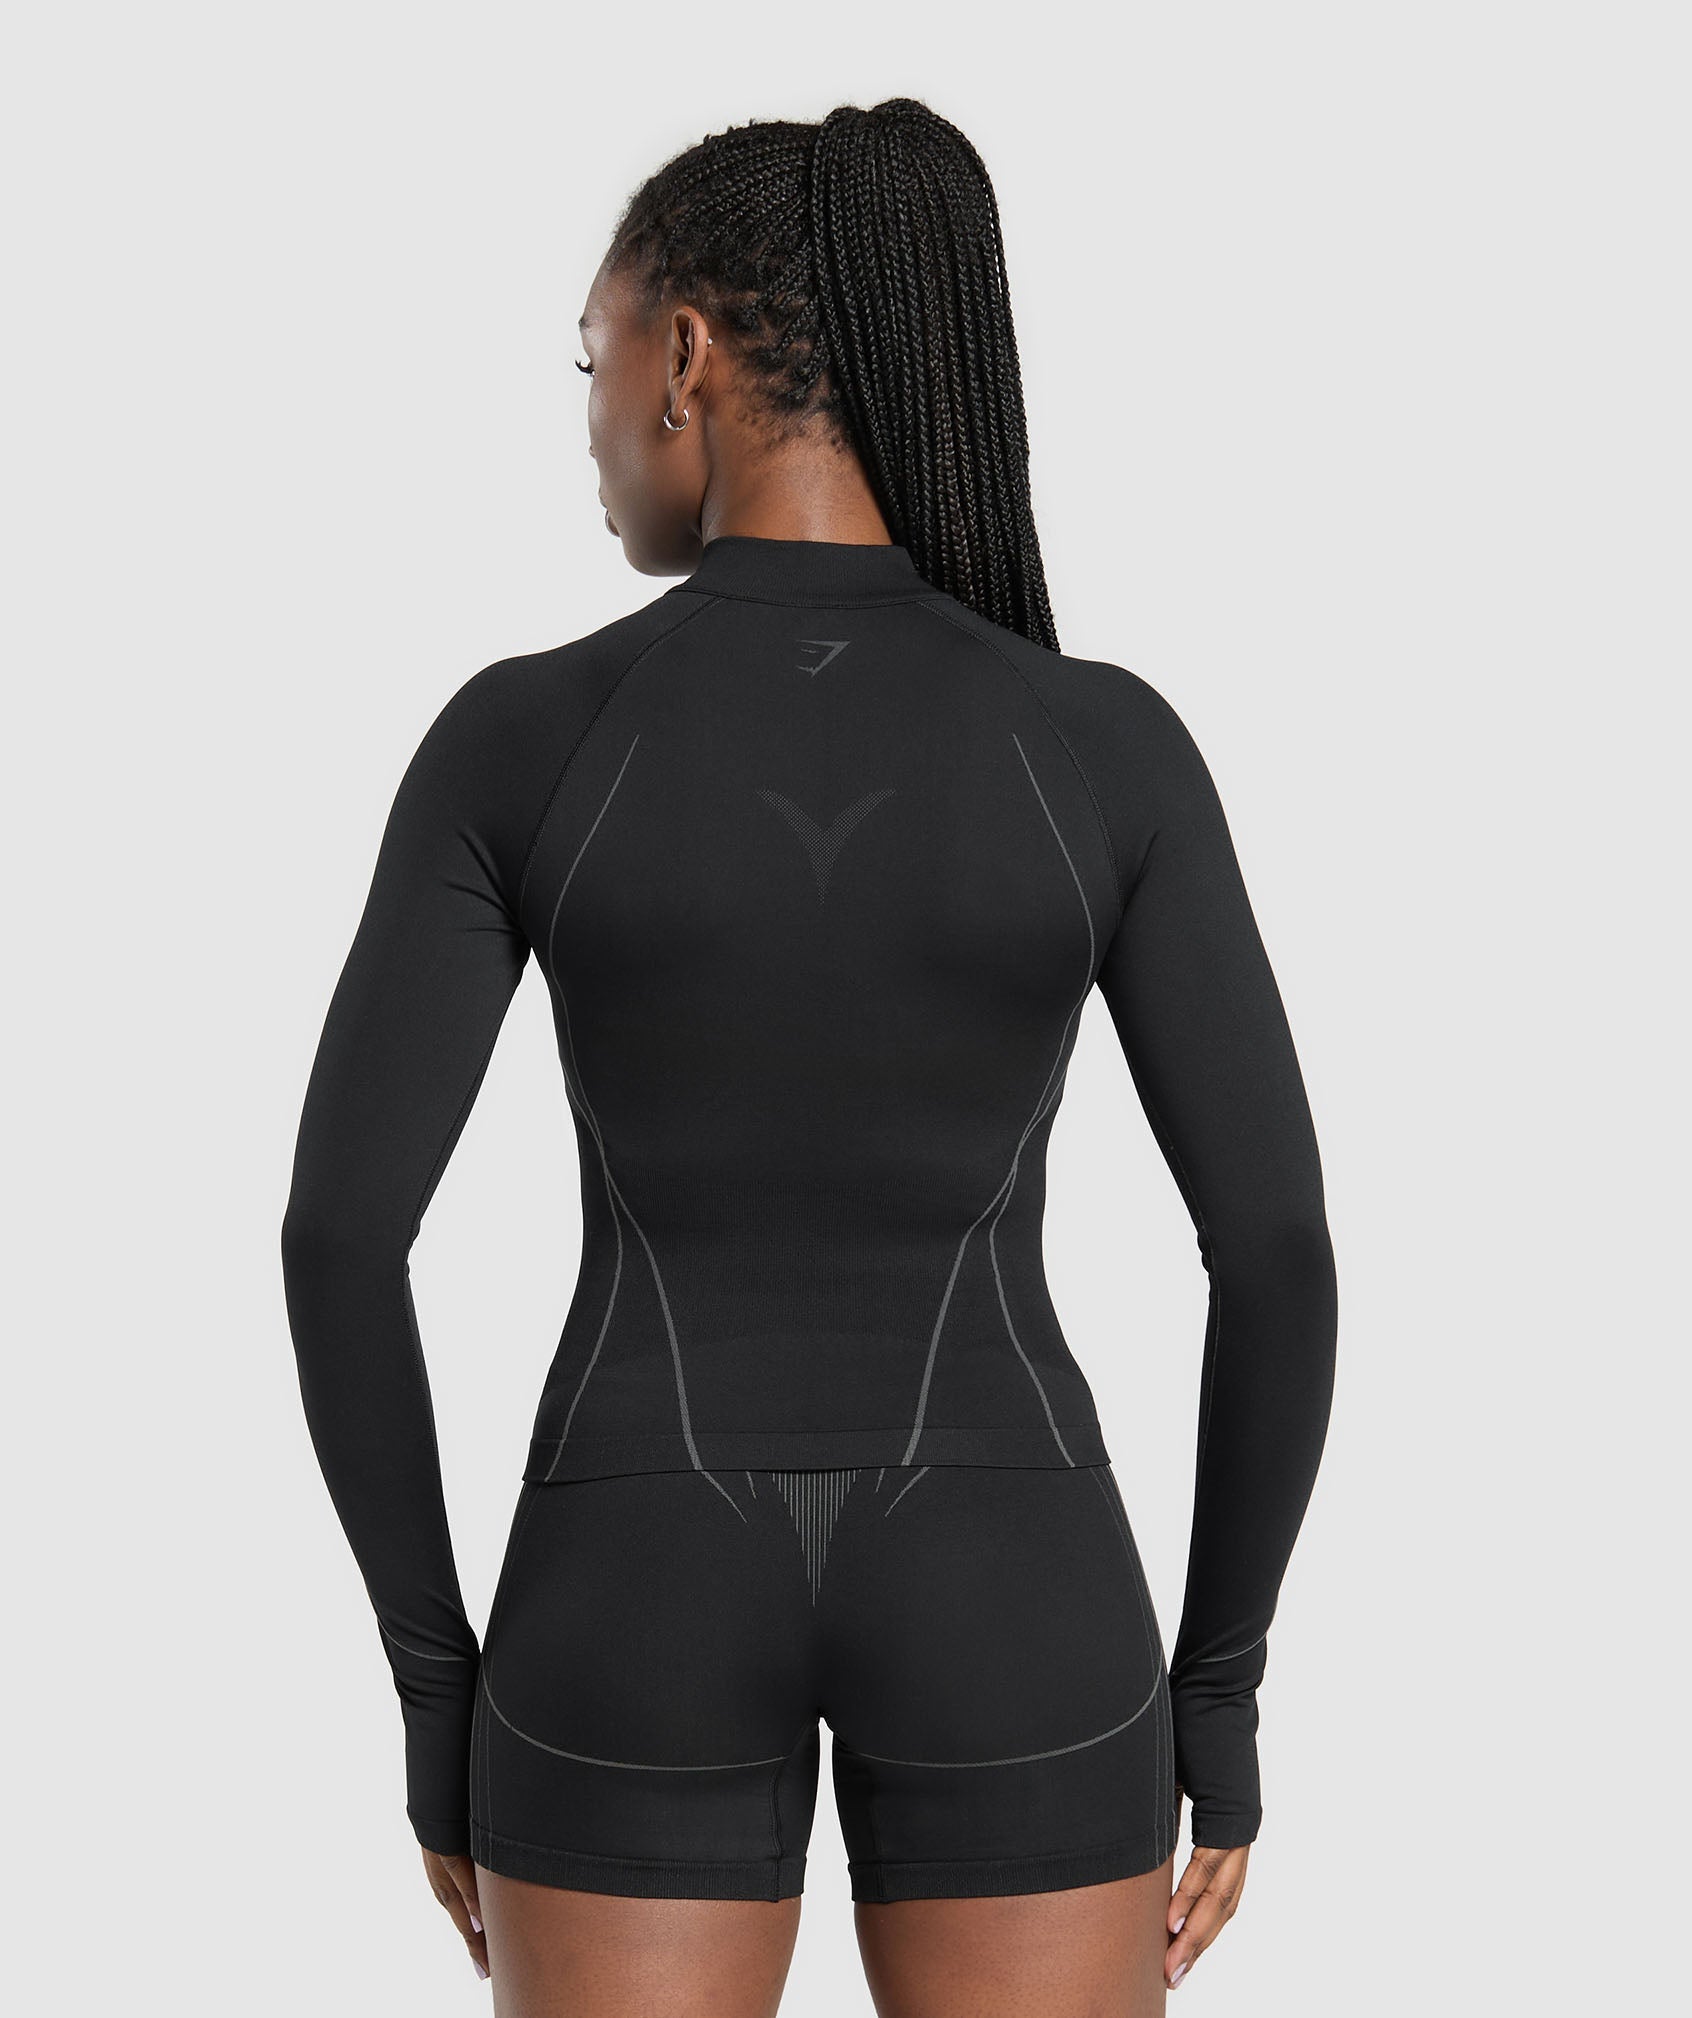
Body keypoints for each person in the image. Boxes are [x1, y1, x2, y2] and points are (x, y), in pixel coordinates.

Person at [280, 96, 1338, 2017]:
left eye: (592, 357)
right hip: (1017, 1580)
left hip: (626, 1590)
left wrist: (440, 1696)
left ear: (684, 353)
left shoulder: (524, 740)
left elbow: (338, 1241)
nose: (590, 416)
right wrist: (1222, 1697)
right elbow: (1275, 1254)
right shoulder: (1101, 745)